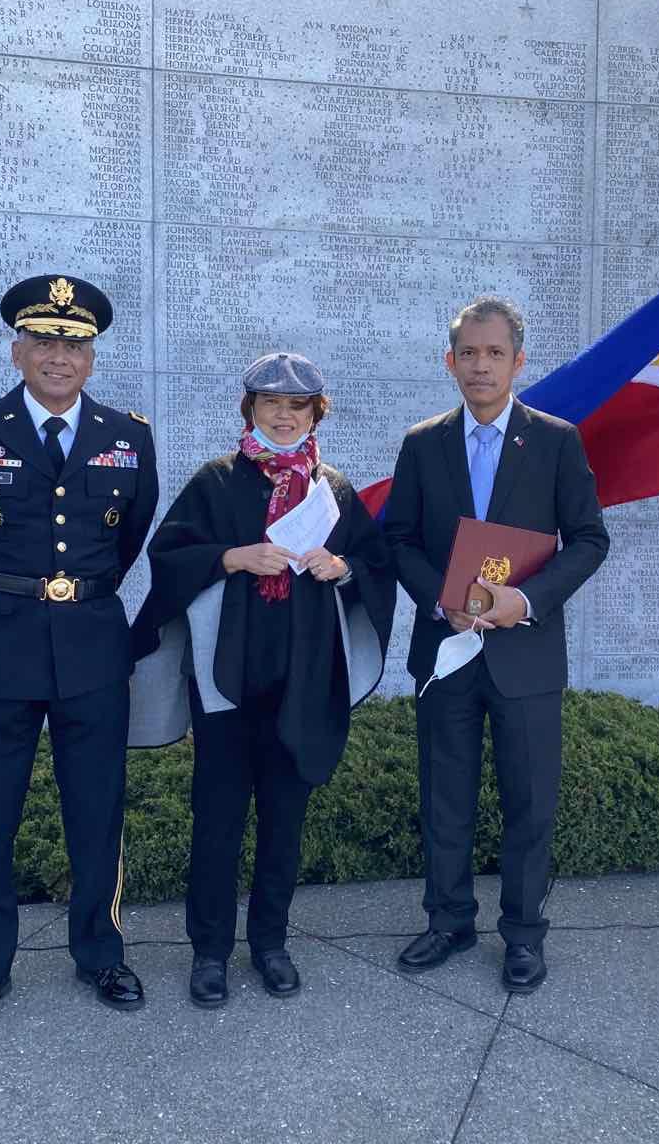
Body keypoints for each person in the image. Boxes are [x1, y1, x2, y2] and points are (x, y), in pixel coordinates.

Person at [0, 273, 158, 1036]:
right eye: (46, 341)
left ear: (92, 357)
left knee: (97, 812)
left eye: (76, 343)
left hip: (90, 645)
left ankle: (102, 954)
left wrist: (79, 593)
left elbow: (127, 538)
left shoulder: (129, 436)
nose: (60, 356)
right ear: (18, 349)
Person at [128, 352, 394, 1006]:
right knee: (216, 821)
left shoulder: (332, 489)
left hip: (303, 680)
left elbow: (374, 561)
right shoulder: (217, 483)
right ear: (250, 409)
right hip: (227, 684)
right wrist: (231, 555)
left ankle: (271, 944)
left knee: (284, 822)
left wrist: (343, 567)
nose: (283, 414)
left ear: (314, 412)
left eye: (296, 405)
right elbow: (167, 558)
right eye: (269, 403)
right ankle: (211, 952)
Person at [384, 296, 608, 994]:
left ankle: (522, 935)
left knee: (529, 802)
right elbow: (399, 539)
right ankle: (448, 922)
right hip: (447, 651)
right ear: (449, 361)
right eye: (469, 354)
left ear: (518, 361)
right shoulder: (423, 443)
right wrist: (437, 597)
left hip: (526, 654)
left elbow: (591, 540)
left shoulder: (555, 441)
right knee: (444, 797)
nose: (481, 365)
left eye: (494, 353)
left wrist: (528, 600)